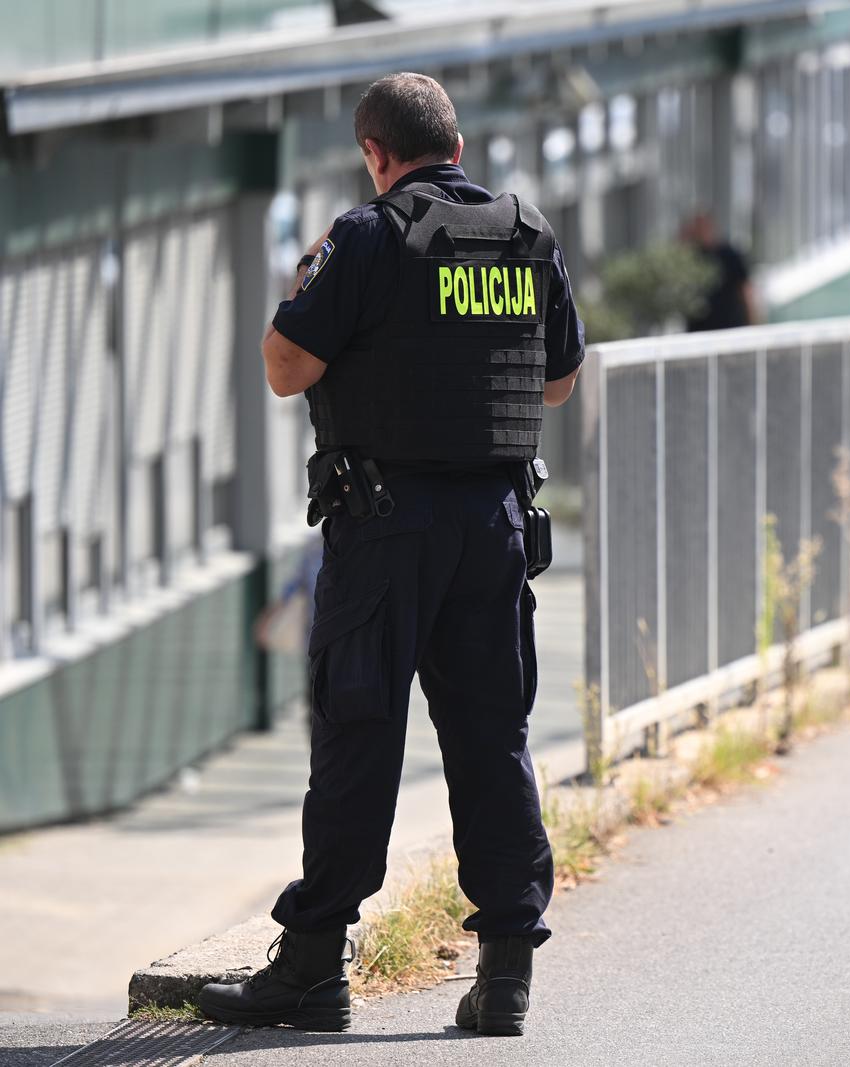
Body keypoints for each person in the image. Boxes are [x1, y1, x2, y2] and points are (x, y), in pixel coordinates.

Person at [197, 72, 584, 1038]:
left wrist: (310, 295)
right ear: (453, 144)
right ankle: (503, 976)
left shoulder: (364, 237)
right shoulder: (524, 233)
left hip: (384, 527)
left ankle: (315, 968)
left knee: (359, 735)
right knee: (493, 737)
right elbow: (560, 381)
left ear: (376, 153)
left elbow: (285, 368)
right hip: (495, 527)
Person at [681, 211, 759, 331]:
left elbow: (745, 289)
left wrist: (753, 321)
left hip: (729, 325)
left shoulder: (729, 254)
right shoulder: (690, 256)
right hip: (699, 329)